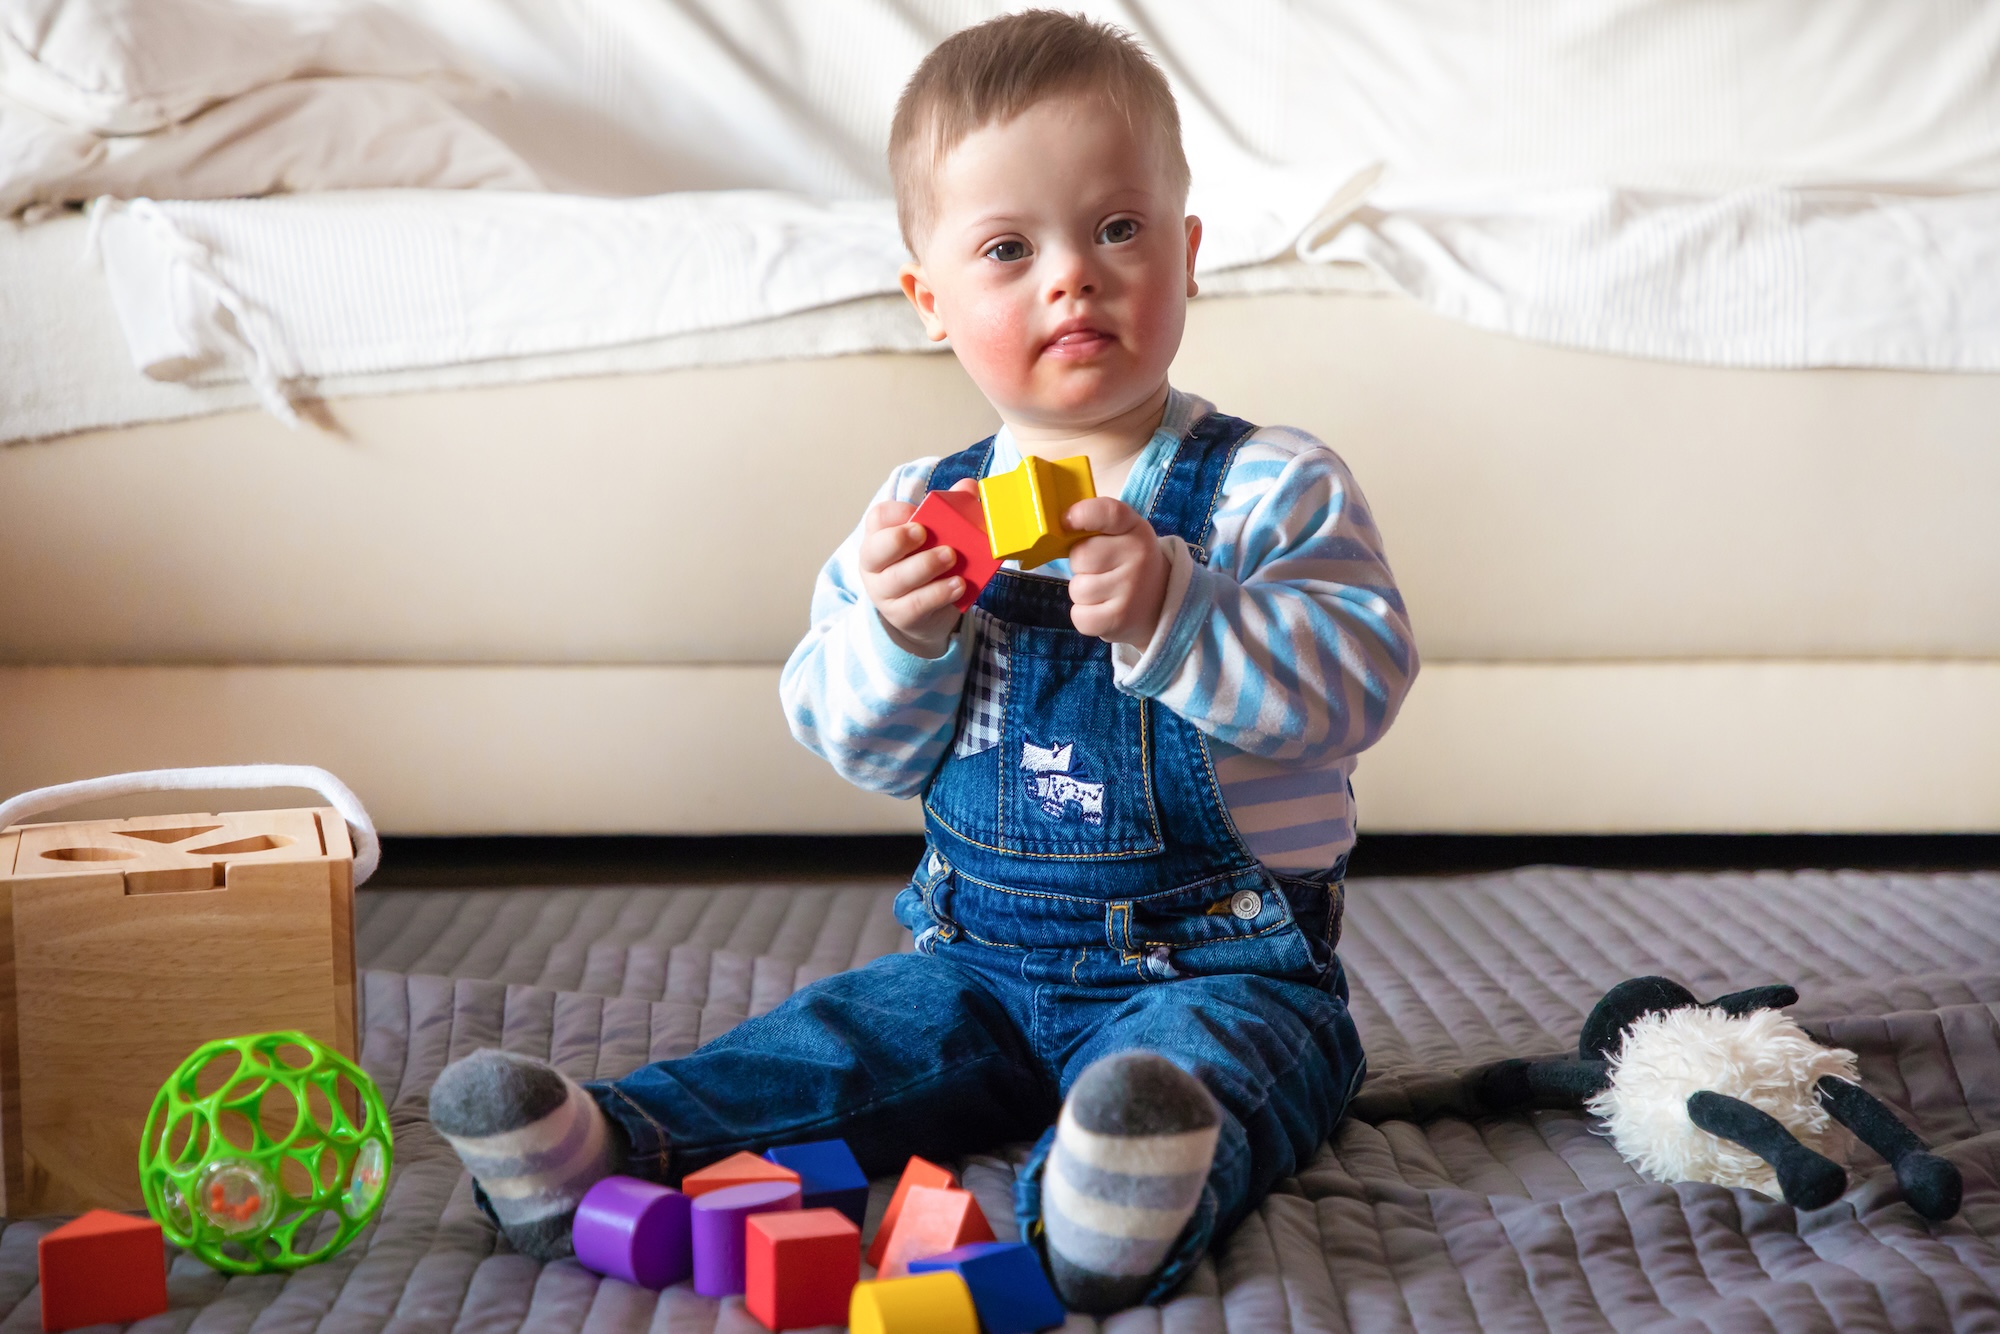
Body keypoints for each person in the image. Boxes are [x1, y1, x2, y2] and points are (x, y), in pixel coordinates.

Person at [427, 10, 1416, 1312]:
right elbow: (855, 738)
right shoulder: (916, 509)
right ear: (933, 301)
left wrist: (1189, 609)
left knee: (1209, 1066)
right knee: (839, 1042)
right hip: (981, 962)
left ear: (1186, 254)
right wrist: (898, 636)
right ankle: (614, 1139)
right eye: (1010, 248)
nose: (1074, 277)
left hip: (1221, 962)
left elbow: (1362, 681)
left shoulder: (1269, 485)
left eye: (1118, 230)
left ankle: (1110, 1191)